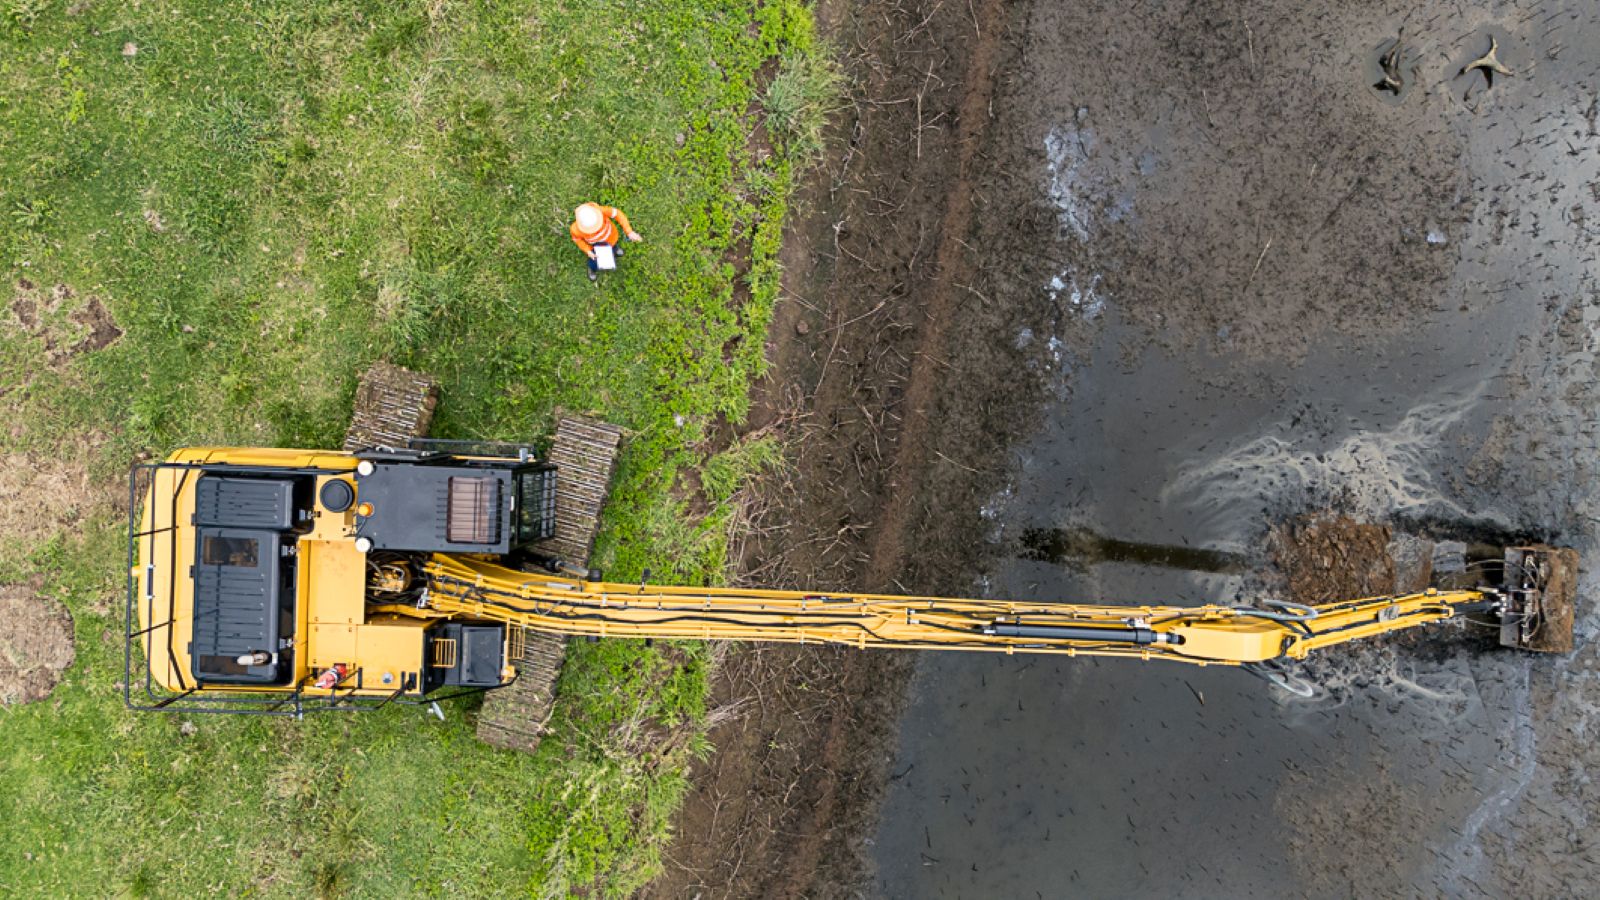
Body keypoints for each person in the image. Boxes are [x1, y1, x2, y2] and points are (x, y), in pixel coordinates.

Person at [570, 202, 642, 281]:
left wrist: (629, 231)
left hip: (611, 238)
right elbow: (578, 240)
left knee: (613, 245)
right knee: (594, 259)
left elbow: (617, 213)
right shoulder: (575, 229)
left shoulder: (601, 210)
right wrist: (588, 251)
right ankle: (592, 268)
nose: (595, 230)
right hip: (596, 246)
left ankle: (615, 249)